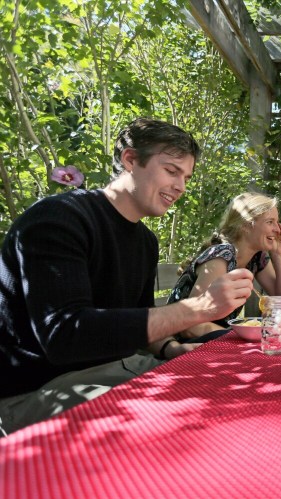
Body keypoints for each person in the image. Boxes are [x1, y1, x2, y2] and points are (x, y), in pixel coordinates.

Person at [0, 118, 254, 435]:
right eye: (172, 171)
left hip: (122, 370)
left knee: (236, 392)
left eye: (186, 177)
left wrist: (172, 350)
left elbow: (143, 323)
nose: (181, 187)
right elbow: (65, 337)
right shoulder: (58, 218)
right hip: (40, 390)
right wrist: (200, 308)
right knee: (188, 424)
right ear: (130, 160)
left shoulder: (146, 242)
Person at [168, 192, 281, 340]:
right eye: (270, 222)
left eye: (277, 222)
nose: (278, 229)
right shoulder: (222, 255)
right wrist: (238, 338)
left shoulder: (257, 257)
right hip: (181, 346)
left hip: (214, 339)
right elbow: (191, 326)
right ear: (246, 226)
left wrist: (278, 255)